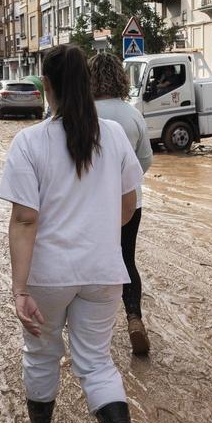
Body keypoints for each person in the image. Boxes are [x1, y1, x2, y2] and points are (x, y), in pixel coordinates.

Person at [0, 44, 150, 423]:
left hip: (48, 274)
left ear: (47, 87)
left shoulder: (29, 143)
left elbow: (25, 220)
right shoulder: (114, 137)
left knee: (42, 353)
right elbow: (128, 209)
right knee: (97, 364)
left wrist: (20, 289)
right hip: (104, 271)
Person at [89, 52, 154, 355]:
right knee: (127, 259)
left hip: (87, 205)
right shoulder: (132, 114)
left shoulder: (81, 113)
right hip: (130, 202)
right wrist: (124, 183)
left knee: (91, 262)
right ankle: (134, 319)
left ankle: (92, 332)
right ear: (120, 77)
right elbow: (145, 159)